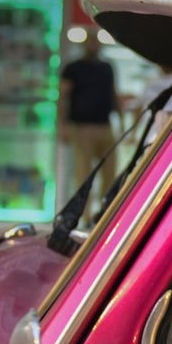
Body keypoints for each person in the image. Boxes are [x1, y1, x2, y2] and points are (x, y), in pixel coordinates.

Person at [58, 36, 118, 218]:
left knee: (111, 173)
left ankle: (105, 214)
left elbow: (113, 94)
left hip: (105, 125)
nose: (94, 44)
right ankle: (82, 216)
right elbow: (63, 97)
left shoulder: (107, 67)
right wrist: (63, 125)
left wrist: (121, 122)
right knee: (83, 175)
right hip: (82, 127)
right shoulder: (73, 68)